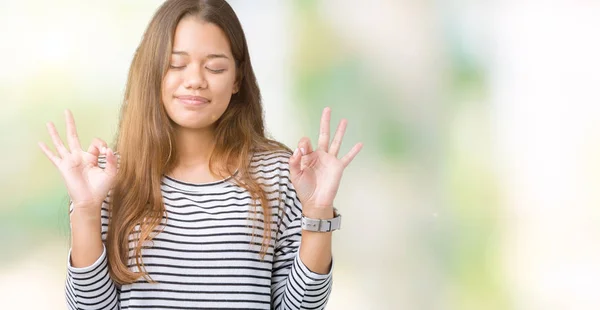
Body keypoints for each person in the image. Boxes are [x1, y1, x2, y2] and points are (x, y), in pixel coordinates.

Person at [38, 0, 362, 309]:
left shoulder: (280, 175)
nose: (194, 81)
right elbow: (90, 307)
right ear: (154, 72)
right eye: (176, 64)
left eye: (215, 68)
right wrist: (85, 209)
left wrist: (318, 211)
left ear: (237, 79)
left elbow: (302, 307)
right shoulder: (109, 179)